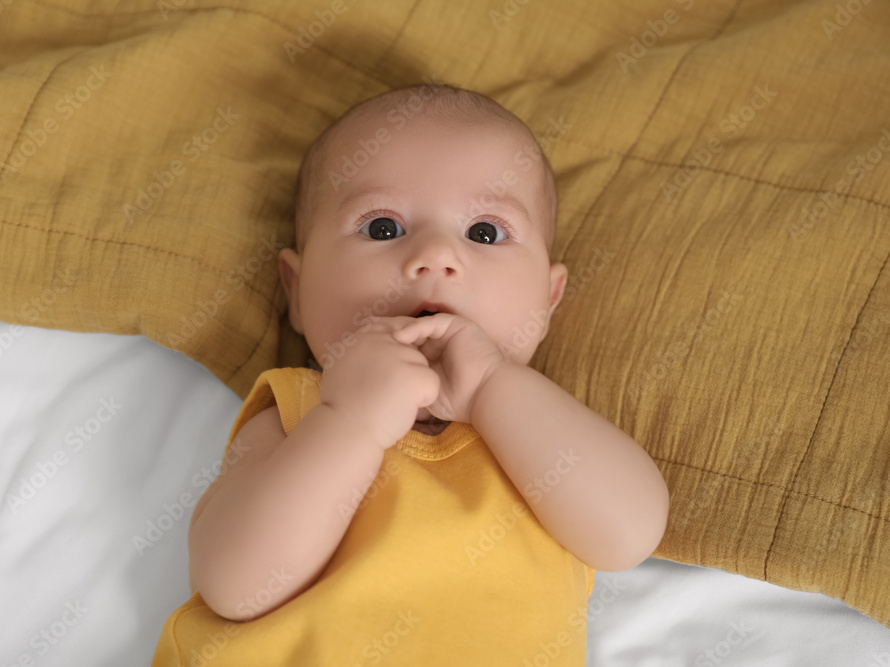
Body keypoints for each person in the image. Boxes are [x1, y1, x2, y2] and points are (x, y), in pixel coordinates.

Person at [152, 82, 669, 666]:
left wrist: (495, 390)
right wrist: (350, 421)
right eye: (382, 228)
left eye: (485, 233)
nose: (435, 256)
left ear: (546, 303)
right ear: (297, 292)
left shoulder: (543, 432)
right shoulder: (297, 415)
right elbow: (237, 585)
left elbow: (629, 536)